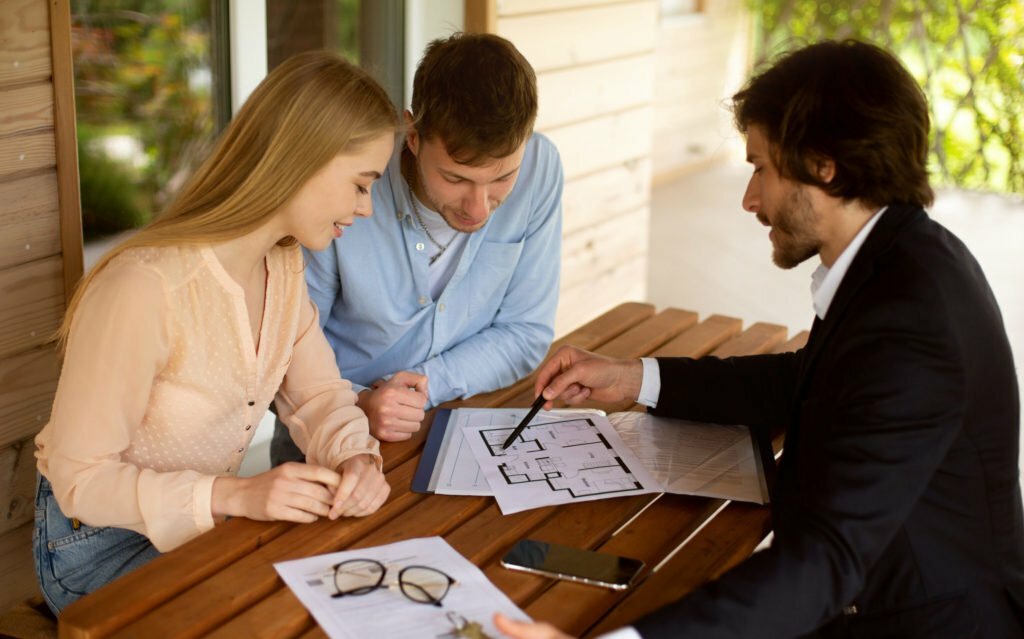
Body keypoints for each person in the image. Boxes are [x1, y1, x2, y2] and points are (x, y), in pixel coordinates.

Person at [494, 40, 1023, 638]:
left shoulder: (913, 318)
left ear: (825, 166)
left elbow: (827, 561)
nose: (749, 199)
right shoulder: (895, 258)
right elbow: (803, 382)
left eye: (761, 168)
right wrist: (632, 378)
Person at [33, 52, 396, 614]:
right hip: (97, 548)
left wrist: (356, 460)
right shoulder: (146, 287)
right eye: (361, 183)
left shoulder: (284, 265)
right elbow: (78, 478)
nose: (367, 208)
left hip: (207, 523)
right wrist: (237, 494)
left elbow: (320, 395)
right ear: (304, 160)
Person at [271, 32, 562, 462]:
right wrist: (361, 404)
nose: (479, 208)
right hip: (332, 439)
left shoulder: (541, 166)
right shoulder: (346, 188)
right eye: (457, 178)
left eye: (502, 179)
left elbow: (526, 333)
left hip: (467, 429)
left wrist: (422, 387)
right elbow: (284, 353)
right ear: (412, 135)